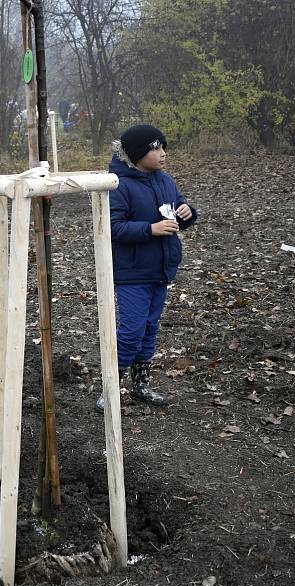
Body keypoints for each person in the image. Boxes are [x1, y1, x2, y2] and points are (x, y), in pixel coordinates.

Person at [96, 124, 197, 414]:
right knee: (131, 332)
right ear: (138, 154)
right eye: (156, 148)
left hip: (160, 270)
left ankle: (140, 385)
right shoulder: (118, 185)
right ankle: (110, 390)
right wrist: (150, 229)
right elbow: (112, 227)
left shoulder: (164, 180)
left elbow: (179, 208)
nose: (163, 154)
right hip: (132, 273)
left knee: (150, 329)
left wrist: (188, 212)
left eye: (163, 147)